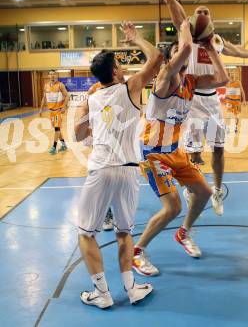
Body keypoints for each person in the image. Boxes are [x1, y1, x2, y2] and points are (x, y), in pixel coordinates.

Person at [139, 0, 248, 216]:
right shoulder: (188, 38)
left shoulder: (217, 41)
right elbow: (171, 0)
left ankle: (218, 189)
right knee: (195, 153)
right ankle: (192, 186)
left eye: (205, 12)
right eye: (197, 12)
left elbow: (238, 51)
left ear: (210, 22)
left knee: (219, 148)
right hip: (192, 97)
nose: (201, 13)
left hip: (213, 100)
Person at [74, 22, 163, 308]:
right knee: (124, 232)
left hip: (100, 169)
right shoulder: (131, 88)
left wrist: (84, 113)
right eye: (119, 64)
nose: (122, 66)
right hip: (127, 170)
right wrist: (136, 38)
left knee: (86, 234)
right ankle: (132, 289)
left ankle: (102, 294)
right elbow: (156, 59)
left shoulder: (91, 98)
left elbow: (78, 135)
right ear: (114, 71)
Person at [132, 18, 228, 277]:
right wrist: (184, 24)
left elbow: (223, 78)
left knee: (205, 193)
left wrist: (209, 49)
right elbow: (185, 49)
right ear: (168, 60)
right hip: (152, 154)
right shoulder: (164, 78)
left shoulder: (192, 82)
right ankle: (137, 252)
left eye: (182, 50)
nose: (183, 52)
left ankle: (183, 233)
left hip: (175, 150)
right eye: (176, 51)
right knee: (172, 207)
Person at [87, 81, 114, 231]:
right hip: (102, 140)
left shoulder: (123, 87)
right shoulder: (94, 90)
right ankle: (106, 212)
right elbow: (88, 115)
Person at [39, 70, 68, 154]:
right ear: (48, 76)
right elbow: (44, 98)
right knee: (57, 129)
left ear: (56, 75)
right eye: (50, 74)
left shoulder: (60, 85)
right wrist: (41, 109)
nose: (52, 76)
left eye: (54, 74)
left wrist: (63, 107)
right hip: (51, 111)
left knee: (57, 129)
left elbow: (67, 96)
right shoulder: (46, 86)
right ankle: (64, 145)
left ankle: (54, 147)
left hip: (58, 111)